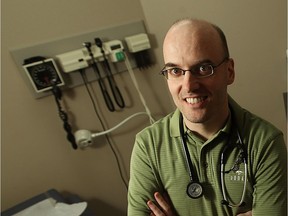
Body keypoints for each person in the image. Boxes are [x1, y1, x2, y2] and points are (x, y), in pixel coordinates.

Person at [127, 18, 287, 216]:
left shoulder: (265, 143)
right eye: (175, 71)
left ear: (229, 71)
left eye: (203, 69)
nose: (188, 86)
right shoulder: (149, 146)